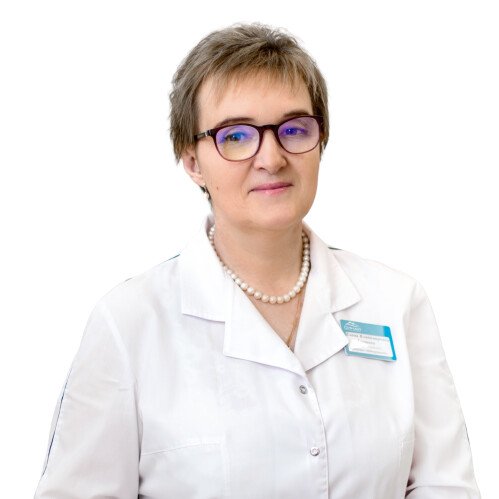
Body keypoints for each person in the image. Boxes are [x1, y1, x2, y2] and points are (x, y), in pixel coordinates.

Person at [34, 22, 480, 498]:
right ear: (192, 161)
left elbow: (445, 487)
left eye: (294, 129)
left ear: (321, 142)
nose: (271, 157)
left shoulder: (396, 303)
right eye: (236, 136)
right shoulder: (129, 324)